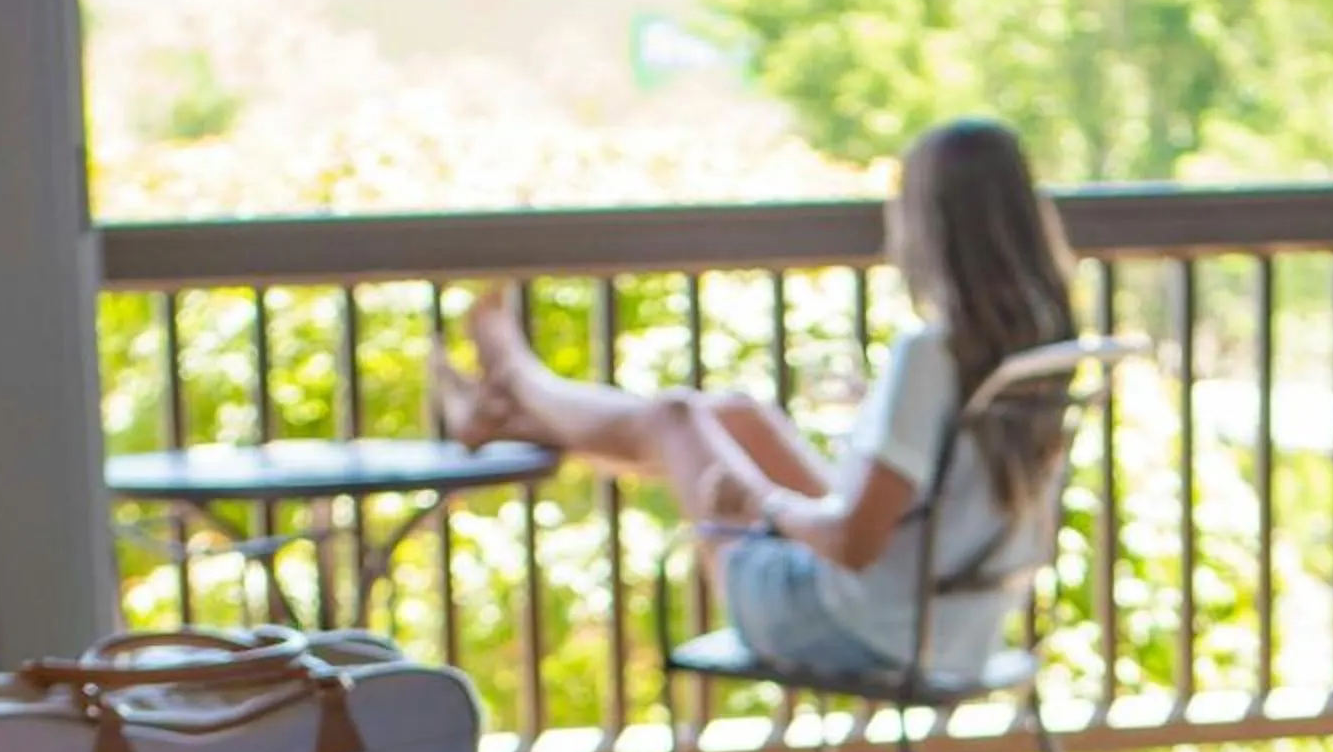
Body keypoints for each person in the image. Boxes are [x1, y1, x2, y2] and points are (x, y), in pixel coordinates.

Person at [430, 117, 1081, 688]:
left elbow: (853, 542)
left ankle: (513, 377)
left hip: (850, 626)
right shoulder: (1043, 349)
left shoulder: (931, 354)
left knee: (677, 418)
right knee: (736, 418)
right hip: (956, 626)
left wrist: (760, 503)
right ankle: (508, 414)